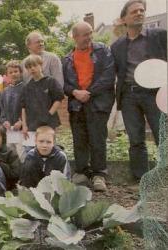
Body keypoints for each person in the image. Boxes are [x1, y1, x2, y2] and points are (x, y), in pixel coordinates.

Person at [111, 0, 167, 180]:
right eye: (134, 11)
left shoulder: (160, 35)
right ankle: (141, 179)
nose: (139, 13)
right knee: (136, 140)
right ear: (124, 18)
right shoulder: (117, 45)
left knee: (163, 136)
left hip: (156, 94)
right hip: (129, 96)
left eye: (142, 10)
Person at [63, 21, 115, 191]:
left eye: (90, 33)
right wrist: (75, 92)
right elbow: (63, 85)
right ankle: (82, 173)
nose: (89, 37)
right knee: (79, 139)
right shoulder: (67, 59)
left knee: (97, 139)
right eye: (85, 34)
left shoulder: (103, 50)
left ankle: (99, 175)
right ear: (75, 37)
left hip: (98, 102)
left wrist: (89, 92)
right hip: (76, 105)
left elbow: (108, 76)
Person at [21, 54, 64, 150]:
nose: (32, 69)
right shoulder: (27, 87)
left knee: (47, 149)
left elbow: (58, 99)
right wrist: (24, 125)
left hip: (48, 123)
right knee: (30, 151)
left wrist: (48, 114)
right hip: (31, 125)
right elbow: (23, 107)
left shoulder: (51, 81)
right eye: (29, 67)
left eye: (34, 65)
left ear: (41, 65)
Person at [0, 60, 25, 161]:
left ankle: (25, 176)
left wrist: (22, 122)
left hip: (22, 130)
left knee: (22, 155)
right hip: (9, 130)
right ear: (7, 75)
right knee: (11, 155)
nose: (13, 74)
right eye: (10, 72)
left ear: (21, 72)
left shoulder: (26, 88)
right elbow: (3, 110)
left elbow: (30, 109)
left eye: (16, 71)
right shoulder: (5, 91)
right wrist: (4, 121)